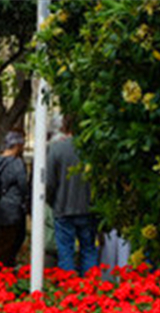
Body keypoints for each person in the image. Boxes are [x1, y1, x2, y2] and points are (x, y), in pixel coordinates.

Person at [46, 114, 98, 275]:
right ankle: (91, 287)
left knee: (65, 252)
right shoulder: (92, 149)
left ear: (64, 127)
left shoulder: (56, 149)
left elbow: (49, 183)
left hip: (63, 208)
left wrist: (52, 202)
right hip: (88, 207)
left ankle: (68, 290)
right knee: (88, 249)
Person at [0, 131, 30, 269]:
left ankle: (1, 271)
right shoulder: (17, 164)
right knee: (7, 245)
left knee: (0, 241)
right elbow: (23, 186)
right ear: (17, 145)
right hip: (11, 210)